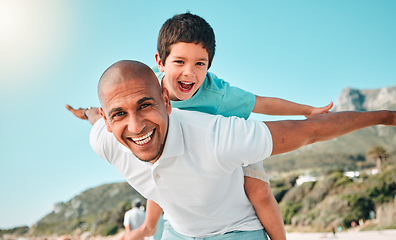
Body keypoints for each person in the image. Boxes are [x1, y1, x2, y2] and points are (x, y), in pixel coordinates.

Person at [68, 12, 333, 240]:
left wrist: (307, 110)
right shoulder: (145, 85)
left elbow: (261, 103)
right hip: (175, 154)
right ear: (160, 62)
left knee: (259, 191)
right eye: (179, 62)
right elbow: (109, 106)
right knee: (157, 177)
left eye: (200, 64)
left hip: (231, 146)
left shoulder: (217, 93)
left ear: (208, 66)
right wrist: (85, 113)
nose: (189, 73)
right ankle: (149, 227)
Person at [67, 60, 396, 239]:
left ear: (167, 101)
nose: (136, 125)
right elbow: (94, 115)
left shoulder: (217, 137)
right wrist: (84, 112)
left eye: (145, 105)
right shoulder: (104, 139)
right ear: (108, 124)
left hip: (235, 231)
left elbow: (308, 131)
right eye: (119, 114)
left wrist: (385, 116)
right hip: (179, 233)